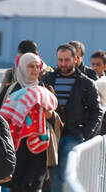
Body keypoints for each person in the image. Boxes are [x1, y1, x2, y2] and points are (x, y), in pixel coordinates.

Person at [42, 43, 103, 192]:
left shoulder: (86, 83)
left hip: (73, 135)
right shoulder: (48, 80)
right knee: (54, 175)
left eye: (66, 60)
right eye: (60, 60)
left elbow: (97, 111)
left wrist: (85, 134)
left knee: (66, 172)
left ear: (75, 59)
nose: (63, 64)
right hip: (52, 135)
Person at [0, 53, 60, 192]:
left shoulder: (46, 90)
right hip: (15, 147)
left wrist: (49, 115)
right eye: (31, 66)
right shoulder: (11, 89)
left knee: (35, 185)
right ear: (23, 68)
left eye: (37, 66)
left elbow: (59, 120)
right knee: (16, 185)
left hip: (41, 145)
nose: (35, 70)